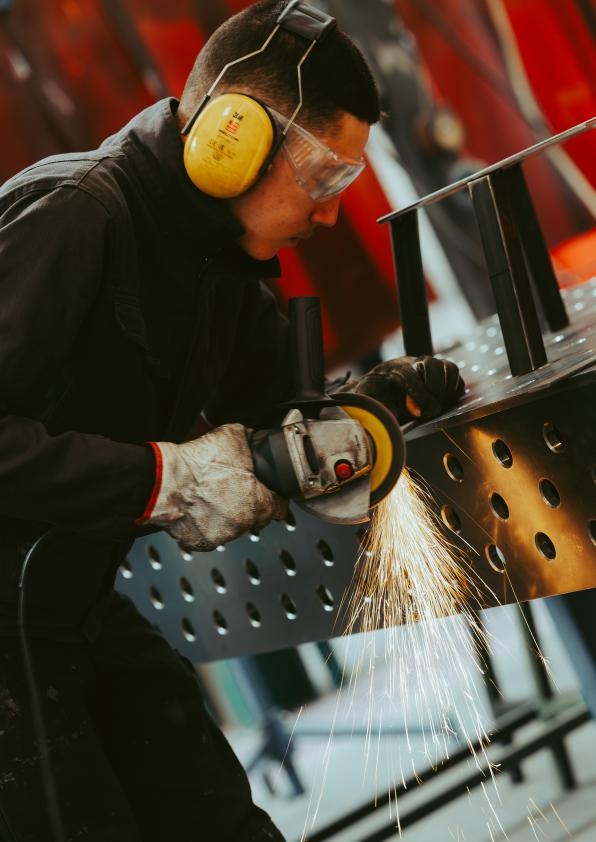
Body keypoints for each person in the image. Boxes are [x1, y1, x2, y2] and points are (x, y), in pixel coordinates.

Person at [0, 1, 464, 840]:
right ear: (231, 140)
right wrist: (160, 479)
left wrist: (366, 406)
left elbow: (272, 418)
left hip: (69, 610)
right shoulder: (75, 216)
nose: (328, 213)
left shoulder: (219, 266)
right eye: (323, 180)